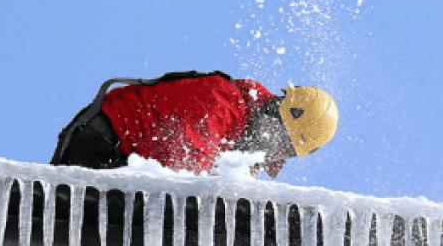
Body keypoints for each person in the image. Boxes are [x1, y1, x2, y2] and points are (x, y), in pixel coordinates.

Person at [51, 70, 337, 178]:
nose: (274, 147)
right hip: (99, 143)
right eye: (279, 136)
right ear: (274, 112)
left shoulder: (244, 148)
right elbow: (185, 170)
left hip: (125, 157)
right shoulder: (222, 101)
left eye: (285, 149)